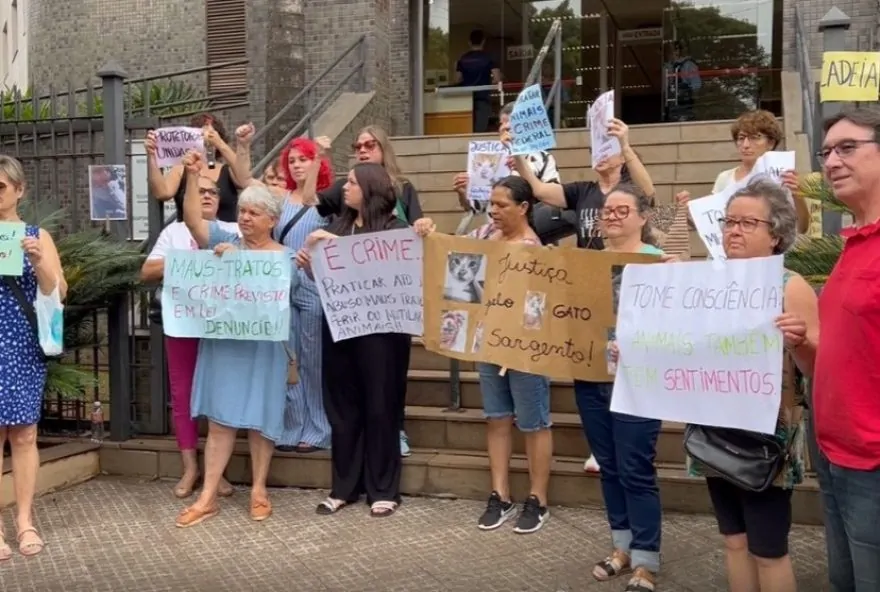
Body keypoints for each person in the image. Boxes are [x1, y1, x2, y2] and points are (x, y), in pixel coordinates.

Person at [684, 178, 817, 592]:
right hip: (713, 431)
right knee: (734, 539)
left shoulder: (790, 285)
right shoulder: (706, 282)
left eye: (747, 223)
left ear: (775, 234)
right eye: (729, 222)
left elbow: (816, 365)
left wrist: (801, 342)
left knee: (768, 548)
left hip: (765, 442)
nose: (734, 231)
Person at [413, 177, 553, 534]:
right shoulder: (485, 234)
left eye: (502, 205)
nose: (494, 211)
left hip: (524, 349)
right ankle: (500, 494)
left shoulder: (534, 250)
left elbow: (538, 307)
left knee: (534, 422)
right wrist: (429, 232)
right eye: (491, 204)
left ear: (524, 208)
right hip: (487, 342)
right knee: (497, 417)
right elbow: (453, 253)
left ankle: (538, 498)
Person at [174, 150, 296, 528]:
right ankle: (208, 496)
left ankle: (259, 490)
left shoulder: (287, 257)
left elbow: (292, 301)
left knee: (261, 421)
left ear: (272, 220)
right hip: (226, 347)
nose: (244, 218)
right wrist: (192, 177)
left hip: (264, 349)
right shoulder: (224, 240)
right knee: (220, 422)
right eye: (242, 211)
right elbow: (193, 221)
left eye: (253, 213)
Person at [296, 162, 411, 518]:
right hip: (341, 329)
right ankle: (343, 487)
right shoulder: (338, 225)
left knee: (381, 406)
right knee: (342, 410)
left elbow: (390, 270)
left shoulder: (396, 229)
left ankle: (383, 488)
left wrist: (332, 245)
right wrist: (309, 264)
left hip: (383, 335)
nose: (344, 188)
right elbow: (326, 280)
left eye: (351, 183)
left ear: (370, 188)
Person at [579, 183, 673, 592]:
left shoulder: (659, 263)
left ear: (643, 217)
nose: (612, 217)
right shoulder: (585, 263)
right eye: (607, 211)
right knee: (610, 468)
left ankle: (646, 560)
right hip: (591, 376)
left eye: (622, 211)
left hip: (639, 381)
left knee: (636, 470)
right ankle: (621, 548)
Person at [314, 125, 422, 457]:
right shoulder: (343, 217)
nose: (362, 150)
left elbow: (414, 237)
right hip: (350, 317)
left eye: (369, 144)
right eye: (357, 145)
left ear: (383, 147)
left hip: (388, 311)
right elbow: (313, 202)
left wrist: (423, 228)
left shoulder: (403, 192)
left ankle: (394, 432)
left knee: (386, 384)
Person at [812, 107, 880, 590]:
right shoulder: (853, 244)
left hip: (872, 465)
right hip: (835, 455)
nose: (833, 161)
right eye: (827, 152)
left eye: (848, 148)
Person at [140, 172, 238, 499]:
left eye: (213, 192)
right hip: (183, 327)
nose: (207, 196)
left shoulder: (233, 231)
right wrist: (183, 262)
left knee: (219, 396)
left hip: (222, 329)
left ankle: (216, 472)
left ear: (220, 201)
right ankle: (190, 467)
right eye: (200, 191)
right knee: (183, 395)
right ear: (186, 199)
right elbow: (147, 271)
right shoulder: (174, 232)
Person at [0, 154, 67, 559]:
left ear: (19, 190)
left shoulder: (36, 236)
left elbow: (59, 293)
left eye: (0, 187)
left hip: (22, 342)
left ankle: (25, 520)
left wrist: (39, 261)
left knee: (24, 433)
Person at [508, 116, 655, 251]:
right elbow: (539, 189)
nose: (600, 155)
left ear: (622, 157)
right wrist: (518, 155)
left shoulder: (630, 190)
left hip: (627, 262)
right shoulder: (581, 191)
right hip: (589, 266)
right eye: (595, 150)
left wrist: (625, 145)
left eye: (607, 149)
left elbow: (648, 192)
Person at [273, 136, 334, 452]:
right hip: (283, 283)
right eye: (292, 160)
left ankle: (318, 429)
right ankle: (291, 425)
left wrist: (320, 154)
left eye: (303, 159)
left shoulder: (325, 200)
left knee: (313, 359)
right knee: (289, 358)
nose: (296, 165)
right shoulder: (280, 198)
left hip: (313, 283)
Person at [452, 101, 577, 245]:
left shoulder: (542, 158)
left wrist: (522, 169)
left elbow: (552, 200)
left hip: (534, 236)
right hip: (497, 236)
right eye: (502, 123)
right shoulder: (488, 159)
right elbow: (476, 207)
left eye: (511, 123)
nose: (505, 127)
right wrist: (463, 192)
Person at [712, 110, 810, 234]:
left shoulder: (783, 177)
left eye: (754, 138)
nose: (745, 145)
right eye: (741, 138)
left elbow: (802, 227)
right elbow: (712, 224)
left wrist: (797, 195)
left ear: (770, 143)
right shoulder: (725, 178)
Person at [146, 114, 249, 223]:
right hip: (187, 230)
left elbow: (245, 179)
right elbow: (162, 193)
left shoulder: (228, 170)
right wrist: (152, 156)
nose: (207, 142)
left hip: (224, 230)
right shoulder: (180, 168)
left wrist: (219, 143)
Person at [455, 29, 502, 133]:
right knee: (480, 129)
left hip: (466, 98)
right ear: (483, 41)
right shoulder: (489, 58)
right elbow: (497, 79)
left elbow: (458, 79)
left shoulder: (463, 59)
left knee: (467, 128)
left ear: (469, 42)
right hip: (483, 97)